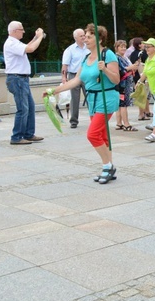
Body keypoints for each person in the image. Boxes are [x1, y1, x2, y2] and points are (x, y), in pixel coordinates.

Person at [44, 25, 120, 184]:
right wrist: (54, 90)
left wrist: (105, 69)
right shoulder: (86, 58)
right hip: (93, 100)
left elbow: (116, 80)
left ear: (99, 39)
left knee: (92, 134)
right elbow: (77, 80)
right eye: (85, 36)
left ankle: (108, 166)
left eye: (89, 36)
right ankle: (108, 167)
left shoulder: (108, 55)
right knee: (102, 135)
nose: (85, 39)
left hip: (106, 98)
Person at [4, 21, 44, 145]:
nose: (23, 31)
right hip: (17, 79)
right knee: (23, 109)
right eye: (22, 29)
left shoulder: (15, 43)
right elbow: (30, 49)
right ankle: (16, 136)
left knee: (30, 107)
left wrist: (36, 38)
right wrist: (41, 37)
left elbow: (27, 46)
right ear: (15, 31)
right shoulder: (11, 43)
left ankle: (28, 134)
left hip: (21, 79)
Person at [61, 29, 90, 129]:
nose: (83, 37)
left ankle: (94, 117)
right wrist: (64, 78)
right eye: (81, 36)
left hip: (87, 75)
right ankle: (74, 121)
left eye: (84, 35)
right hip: (74, 75)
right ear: (75, 38)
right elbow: (65, 66)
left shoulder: (89, 48)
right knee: (74, 98)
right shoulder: (70, 50)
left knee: (90, 96)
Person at [113, 39, 137, 132]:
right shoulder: (117, 58)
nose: (124, 48)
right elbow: (120, 70)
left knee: (119, 104)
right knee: (123, 104)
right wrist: (130, 68)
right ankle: (126, 124)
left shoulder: (124, 57)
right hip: (122, 84)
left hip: (124, 83)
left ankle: (119, 123)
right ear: (116, 48)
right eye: (121, 46)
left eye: (124, 46)